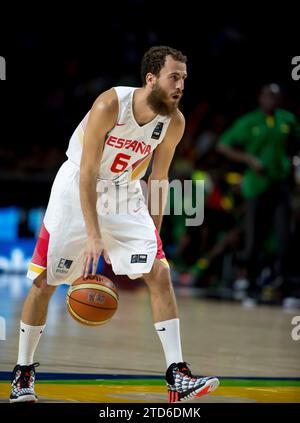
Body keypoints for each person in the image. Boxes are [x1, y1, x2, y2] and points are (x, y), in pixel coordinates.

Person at [10, 46, 219, 403]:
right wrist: (94, 234)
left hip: (124, 192)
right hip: (77, 188)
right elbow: (88, 171)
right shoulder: (110, 104)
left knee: (159, 272)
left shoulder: (175, 121)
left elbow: (160, 178)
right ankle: (23, 374)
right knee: (45, 281)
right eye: (174, 76)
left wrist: (152, 231)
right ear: (151, 78)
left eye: (184, 78)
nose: (181, 85)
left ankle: (176, 375)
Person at [217, 83, 300, 301]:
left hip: (280, 185)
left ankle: (285, 281)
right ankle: (250, 280)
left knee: (285, 235)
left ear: (280, 99)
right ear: (260, 98)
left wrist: (291, 165)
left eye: (275, 96)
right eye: (267, 96)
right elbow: (223, 145)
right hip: (256, 186)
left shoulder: (288, 120)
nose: (270, 100)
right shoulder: (249, 121)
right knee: (254, 235)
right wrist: (249, 159)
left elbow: (295, 146)